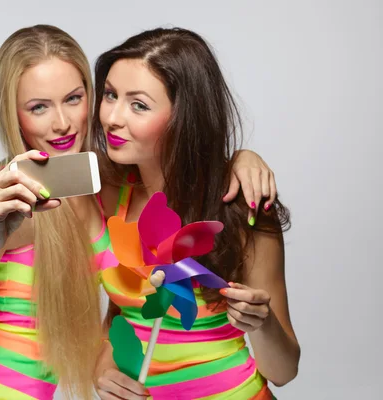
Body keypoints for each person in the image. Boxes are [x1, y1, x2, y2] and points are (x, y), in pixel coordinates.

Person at [0, 25, 281, 400]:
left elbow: (173, 168)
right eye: (38, 107)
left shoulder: (104, 183)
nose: (62, 123)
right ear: (14, 114)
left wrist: (241, 159)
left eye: (73, 98)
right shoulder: (14, 188)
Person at [92, 27, 301, 400]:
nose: (112, 117)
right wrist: (104, 368)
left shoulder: (243, 207)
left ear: (184, 117)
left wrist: (262, 323)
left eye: (138, 104)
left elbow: (283, 371)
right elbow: (123, 317)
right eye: (110, 95)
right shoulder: (108, 195)